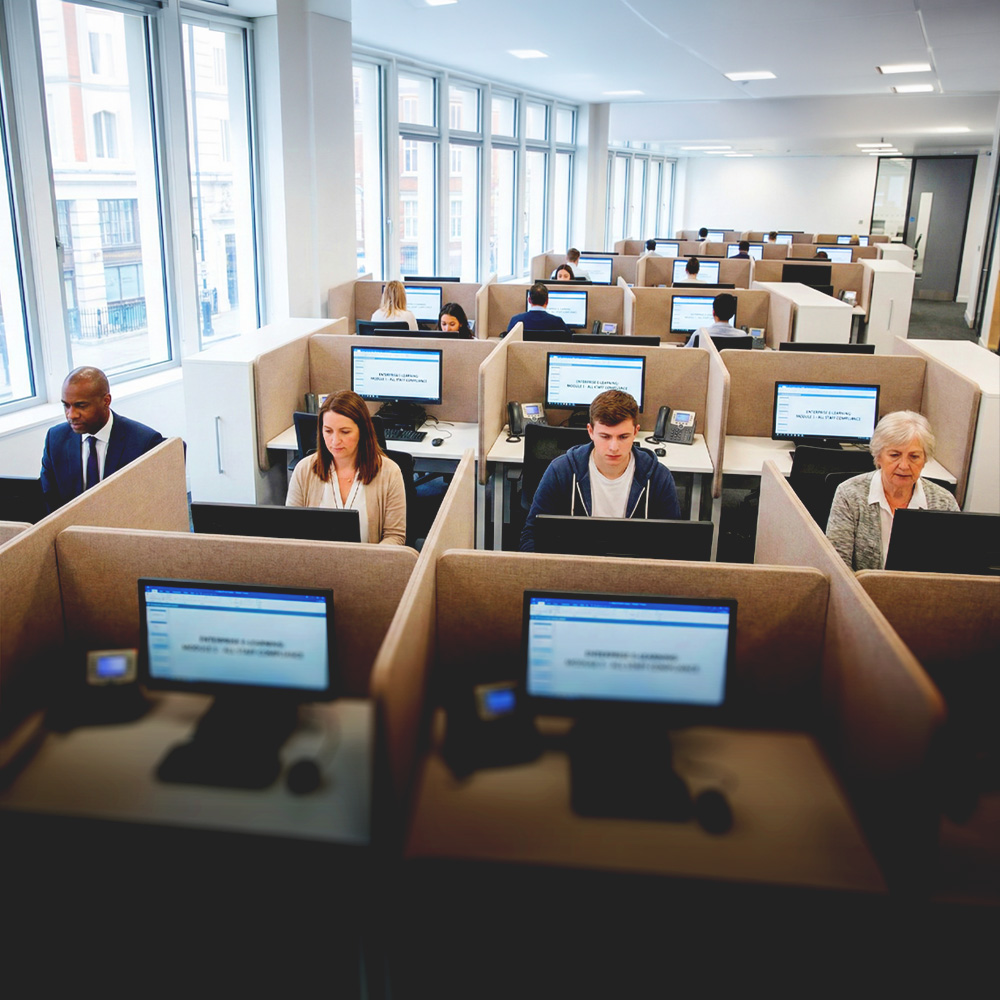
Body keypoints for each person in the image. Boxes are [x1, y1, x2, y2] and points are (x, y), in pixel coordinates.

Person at [520, 390, 680, 552]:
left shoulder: (659, 477)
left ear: (635, 432)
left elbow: (672, 543)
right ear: (590, 431)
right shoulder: (561, 471)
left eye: (623, 437)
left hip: (634, 571)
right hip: (574, 568)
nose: (614, 447)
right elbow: (532, 535)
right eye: (605, 436)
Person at [826, 410, 959, 571]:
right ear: (879, 456)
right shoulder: (849, 494)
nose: (904, 465)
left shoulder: (944, 502)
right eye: (895, 455)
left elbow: (953, 568)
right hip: (863, 592)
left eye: (914, 457)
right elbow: (839, 566)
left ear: (925, 460)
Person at [286, 390, 406, 545]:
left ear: (362, 430)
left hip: (368, 564)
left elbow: (395, 536)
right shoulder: (304, 470)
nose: (335, 441)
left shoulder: (390, 473)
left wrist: (371, 562)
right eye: (328, 431)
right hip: (316, 563)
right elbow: (291, 531)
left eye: (345, 432)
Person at [40, 366, 165, 513]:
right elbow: (48, 499)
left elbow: (152, 505)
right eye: (66, 406)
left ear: (106, 401)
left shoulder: (144, 443)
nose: (71, 415)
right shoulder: (55, 439)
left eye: (81, 405)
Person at [506, 282, 571, 335]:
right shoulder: (558, 322)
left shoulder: (516, 321)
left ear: (529, 300)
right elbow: (569, 343)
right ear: (547, 301)